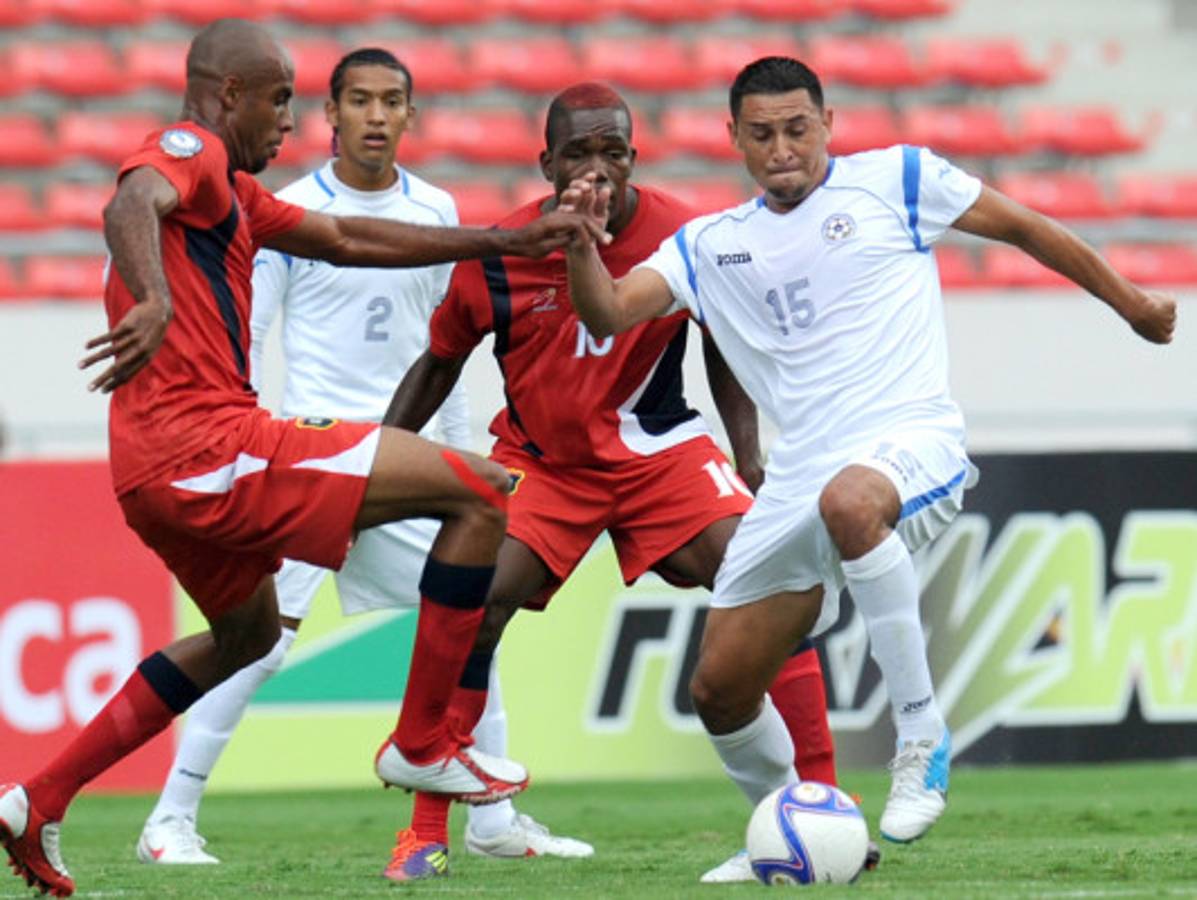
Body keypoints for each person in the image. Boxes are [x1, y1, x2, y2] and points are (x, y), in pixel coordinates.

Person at [0, 19, 604, 899]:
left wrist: (502, 243)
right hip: (212, 444)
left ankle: (38, 798)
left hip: (153, 476)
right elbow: (130, 200)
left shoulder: (239, 199)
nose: (289, 120)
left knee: (244, 637)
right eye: (280, 97)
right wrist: (156, 299)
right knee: (481, 494)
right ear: (229, 92)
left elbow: (349, 240)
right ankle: (422, 743)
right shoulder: (192, 150)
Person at [560, 56, 1176, 855]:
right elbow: (606, 314)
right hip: (797, 480)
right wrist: (579, 240)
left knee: (849, 503)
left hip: (910, 440)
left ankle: (919, 735)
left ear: (826, 125)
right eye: (762, 134)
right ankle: (792, 835)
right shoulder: (709, 245)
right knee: (719, 690)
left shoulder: (897, 181)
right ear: (733, 139)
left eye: (796, 129)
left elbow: (1025, 226)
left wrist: (1128, 303)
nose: (782, 148)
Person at [380, 81, 847, 884]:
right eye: (578, 154)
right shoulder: (498, 254)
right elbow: (438, 364)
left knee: (769, 572)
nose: (596, 169)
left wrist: (746, 453)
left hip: (658, 453)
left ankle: (824, 808)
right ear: (546, 163)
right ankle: (423, 831)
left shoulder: (684, 235)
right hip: (542, 463)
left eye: (613, 152)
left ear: (633, 158)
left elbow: (723, 343)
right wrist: (377, 464)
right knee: (473, 599)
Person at [135, 47, 585, 868]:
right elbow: (249, 330)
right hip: (306, 452)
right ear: (330, 114)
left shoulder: (437, 209)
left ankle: (489, 822)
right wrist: (245, 436)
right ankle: (171, 816)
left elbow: (442, 349)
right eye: (360, 101)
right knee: (262, 639)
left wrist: (455, 457)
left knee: (472, 621)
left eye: (392, 101)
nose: (376, 116)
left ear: (411, 116)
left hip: (402, 461)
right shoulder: (282, 206)